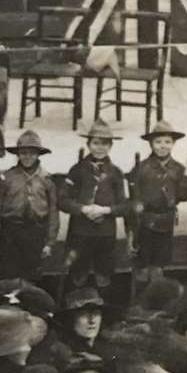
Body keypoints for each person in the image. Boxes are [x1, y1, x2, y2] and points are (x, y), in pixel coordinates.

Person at [61, 120, 131, 293]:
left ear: (111, 146)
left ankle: (103, 312)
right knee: (78, 273)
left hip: (105, 233)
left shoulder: (116, 173)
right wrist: (83, 209)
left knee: (104, 274)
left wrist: (105, 210)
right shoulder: (77, 170)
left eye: (105, 144)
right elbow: (62, 200)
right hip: (80, 231)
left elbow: (125, 205)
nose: (100, 148)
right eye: (96, 143)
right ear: (88, 144)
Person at [0, 130, 61, 284]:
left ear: (38, 155)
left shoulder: (46, 179)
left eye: (32, 153)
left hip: (35, 231)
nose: (27, 157)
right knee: (8, 274)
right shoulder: (7, 178)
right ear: (18, 154)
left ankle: (28, 305)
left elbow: (53, 211)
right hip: (11, 232)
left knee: (31, 275)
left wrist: (50, 241)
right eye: (23, 153)